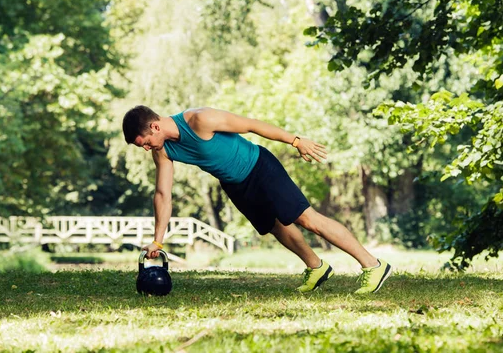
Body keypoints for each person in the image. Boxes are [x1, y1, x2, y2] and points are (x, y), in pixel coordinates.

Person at [122, 105, 392, 294]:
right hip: (235, 183)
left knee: (306, 218)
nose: (146, 148)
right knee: (275, 227)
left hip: (260, 167)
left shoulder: (198, 119)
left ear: (155, 126)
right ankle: (316, 267)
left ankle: (373, 265)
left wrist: (296, 141)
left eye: (144, 142)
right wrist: (158, 240)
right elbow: (162, 194)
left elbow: (252, 125)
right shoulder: (163, 150)